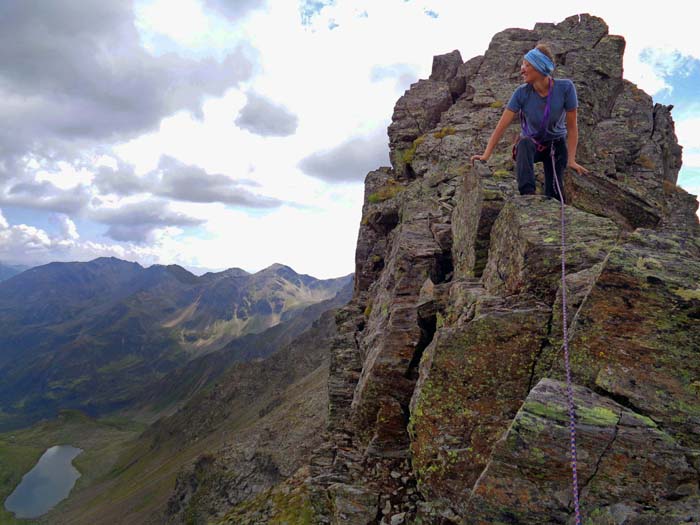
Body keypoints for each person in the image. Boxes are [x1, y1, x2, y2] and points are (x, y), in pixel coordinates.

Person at [470, 44, 588, 199]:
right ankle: (528, 195)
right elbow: (501, 127)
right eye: (522, 64)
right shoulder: (521, 93)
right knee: (524, 143)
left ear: (540, 67)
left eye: (527, 65)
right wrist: (486, 155)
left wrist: (571, 160)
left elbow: (572, 128)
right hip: (532, 145)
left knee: (554, 193)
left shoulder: (565, 88)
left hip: (555, 146)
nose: (522, 69)